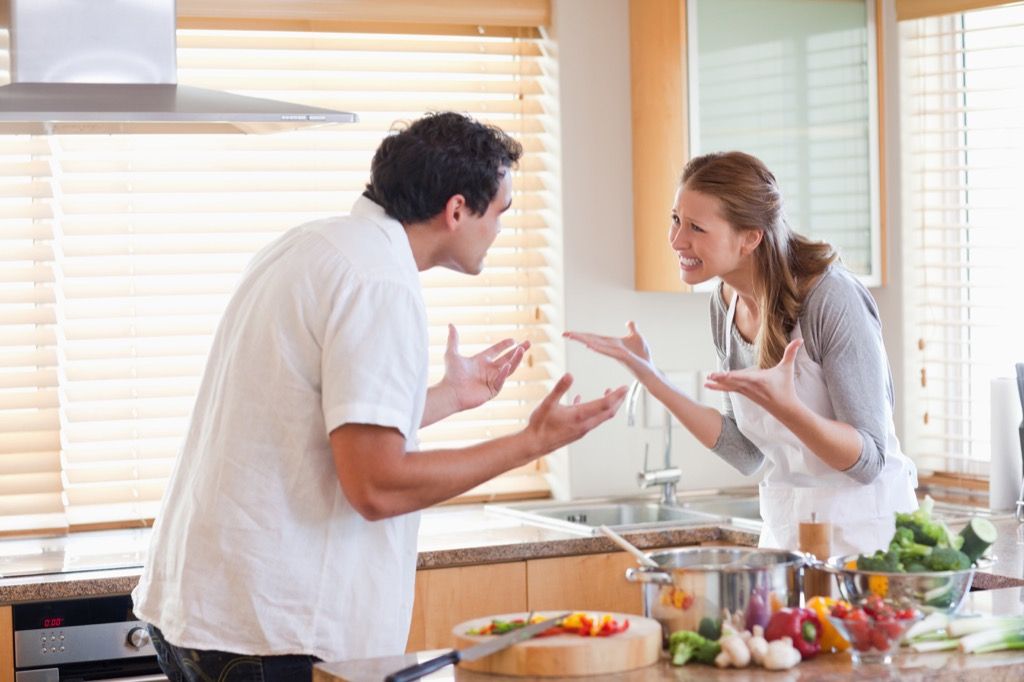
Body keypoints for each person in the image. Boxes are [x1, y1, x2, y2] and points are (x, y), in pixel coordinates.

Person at [132, 112, 627, 680]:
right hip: (273, 632)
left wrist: (446, 397)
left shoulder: (310, 246)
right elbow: (377, 486)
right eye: (500, 213)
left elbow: (311, 419)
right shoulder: (381, 282)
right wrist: (531, 442)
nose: (500, 230)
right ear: (458, 209)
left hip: (202, 616)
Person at [565, 151, 917, 556]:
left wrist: (791, 410)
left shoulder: (830, 298)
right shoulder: (725, 303)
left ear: (750, 237)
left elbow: (868, 460)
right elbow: (746, 452)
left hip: (865, 542)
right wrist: (652, 379)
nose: (677, 240)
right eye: (676, 219)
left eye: (696, 227)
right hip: (787, 538)